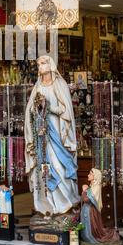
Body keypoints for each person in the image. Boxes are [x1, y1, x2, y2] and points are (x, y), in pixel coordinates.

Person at [24, 55, 80, 216]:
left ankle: (65, 204)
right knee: (44, 168)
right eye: (38, 64)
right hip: (42, 135)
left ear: (50, 65)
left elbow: (66, 111)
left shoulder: (59, 84)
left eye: (43, 63)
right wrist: (37, 107)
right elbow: (30, 110)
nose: (40, 67)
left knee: (58, 166)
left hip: (57, 134)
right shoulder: (38, 86)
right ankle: (48, 206)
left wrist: (48, 106)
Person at [80, 168, 121, 245]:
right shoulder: (92, 186)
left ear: (95, 176)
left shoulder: (96, 187)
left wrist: (84, 190)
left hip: (91, 212)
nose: (88, 175)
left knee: (92, 230)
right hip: (87, 211)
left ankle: (110, 235)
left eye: (90, 174)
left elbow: (86, 199)